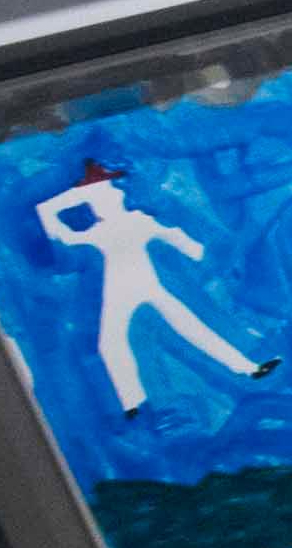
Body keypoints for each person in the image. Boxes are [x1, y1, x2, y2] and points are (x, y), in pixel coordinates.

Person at [37, 167, 262, 415]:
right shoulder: (97, 232)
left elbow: (172, 234)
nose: (101, 203)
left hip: (143, 286)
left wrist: (196, 252)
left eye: (103, 196)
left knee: (191, 329)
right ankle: (133, 404)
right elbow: (48, 217)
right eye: (95, 198)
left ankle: (247, 368)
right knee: (113, 342)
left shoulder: (133, 221)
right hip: (121, 292)